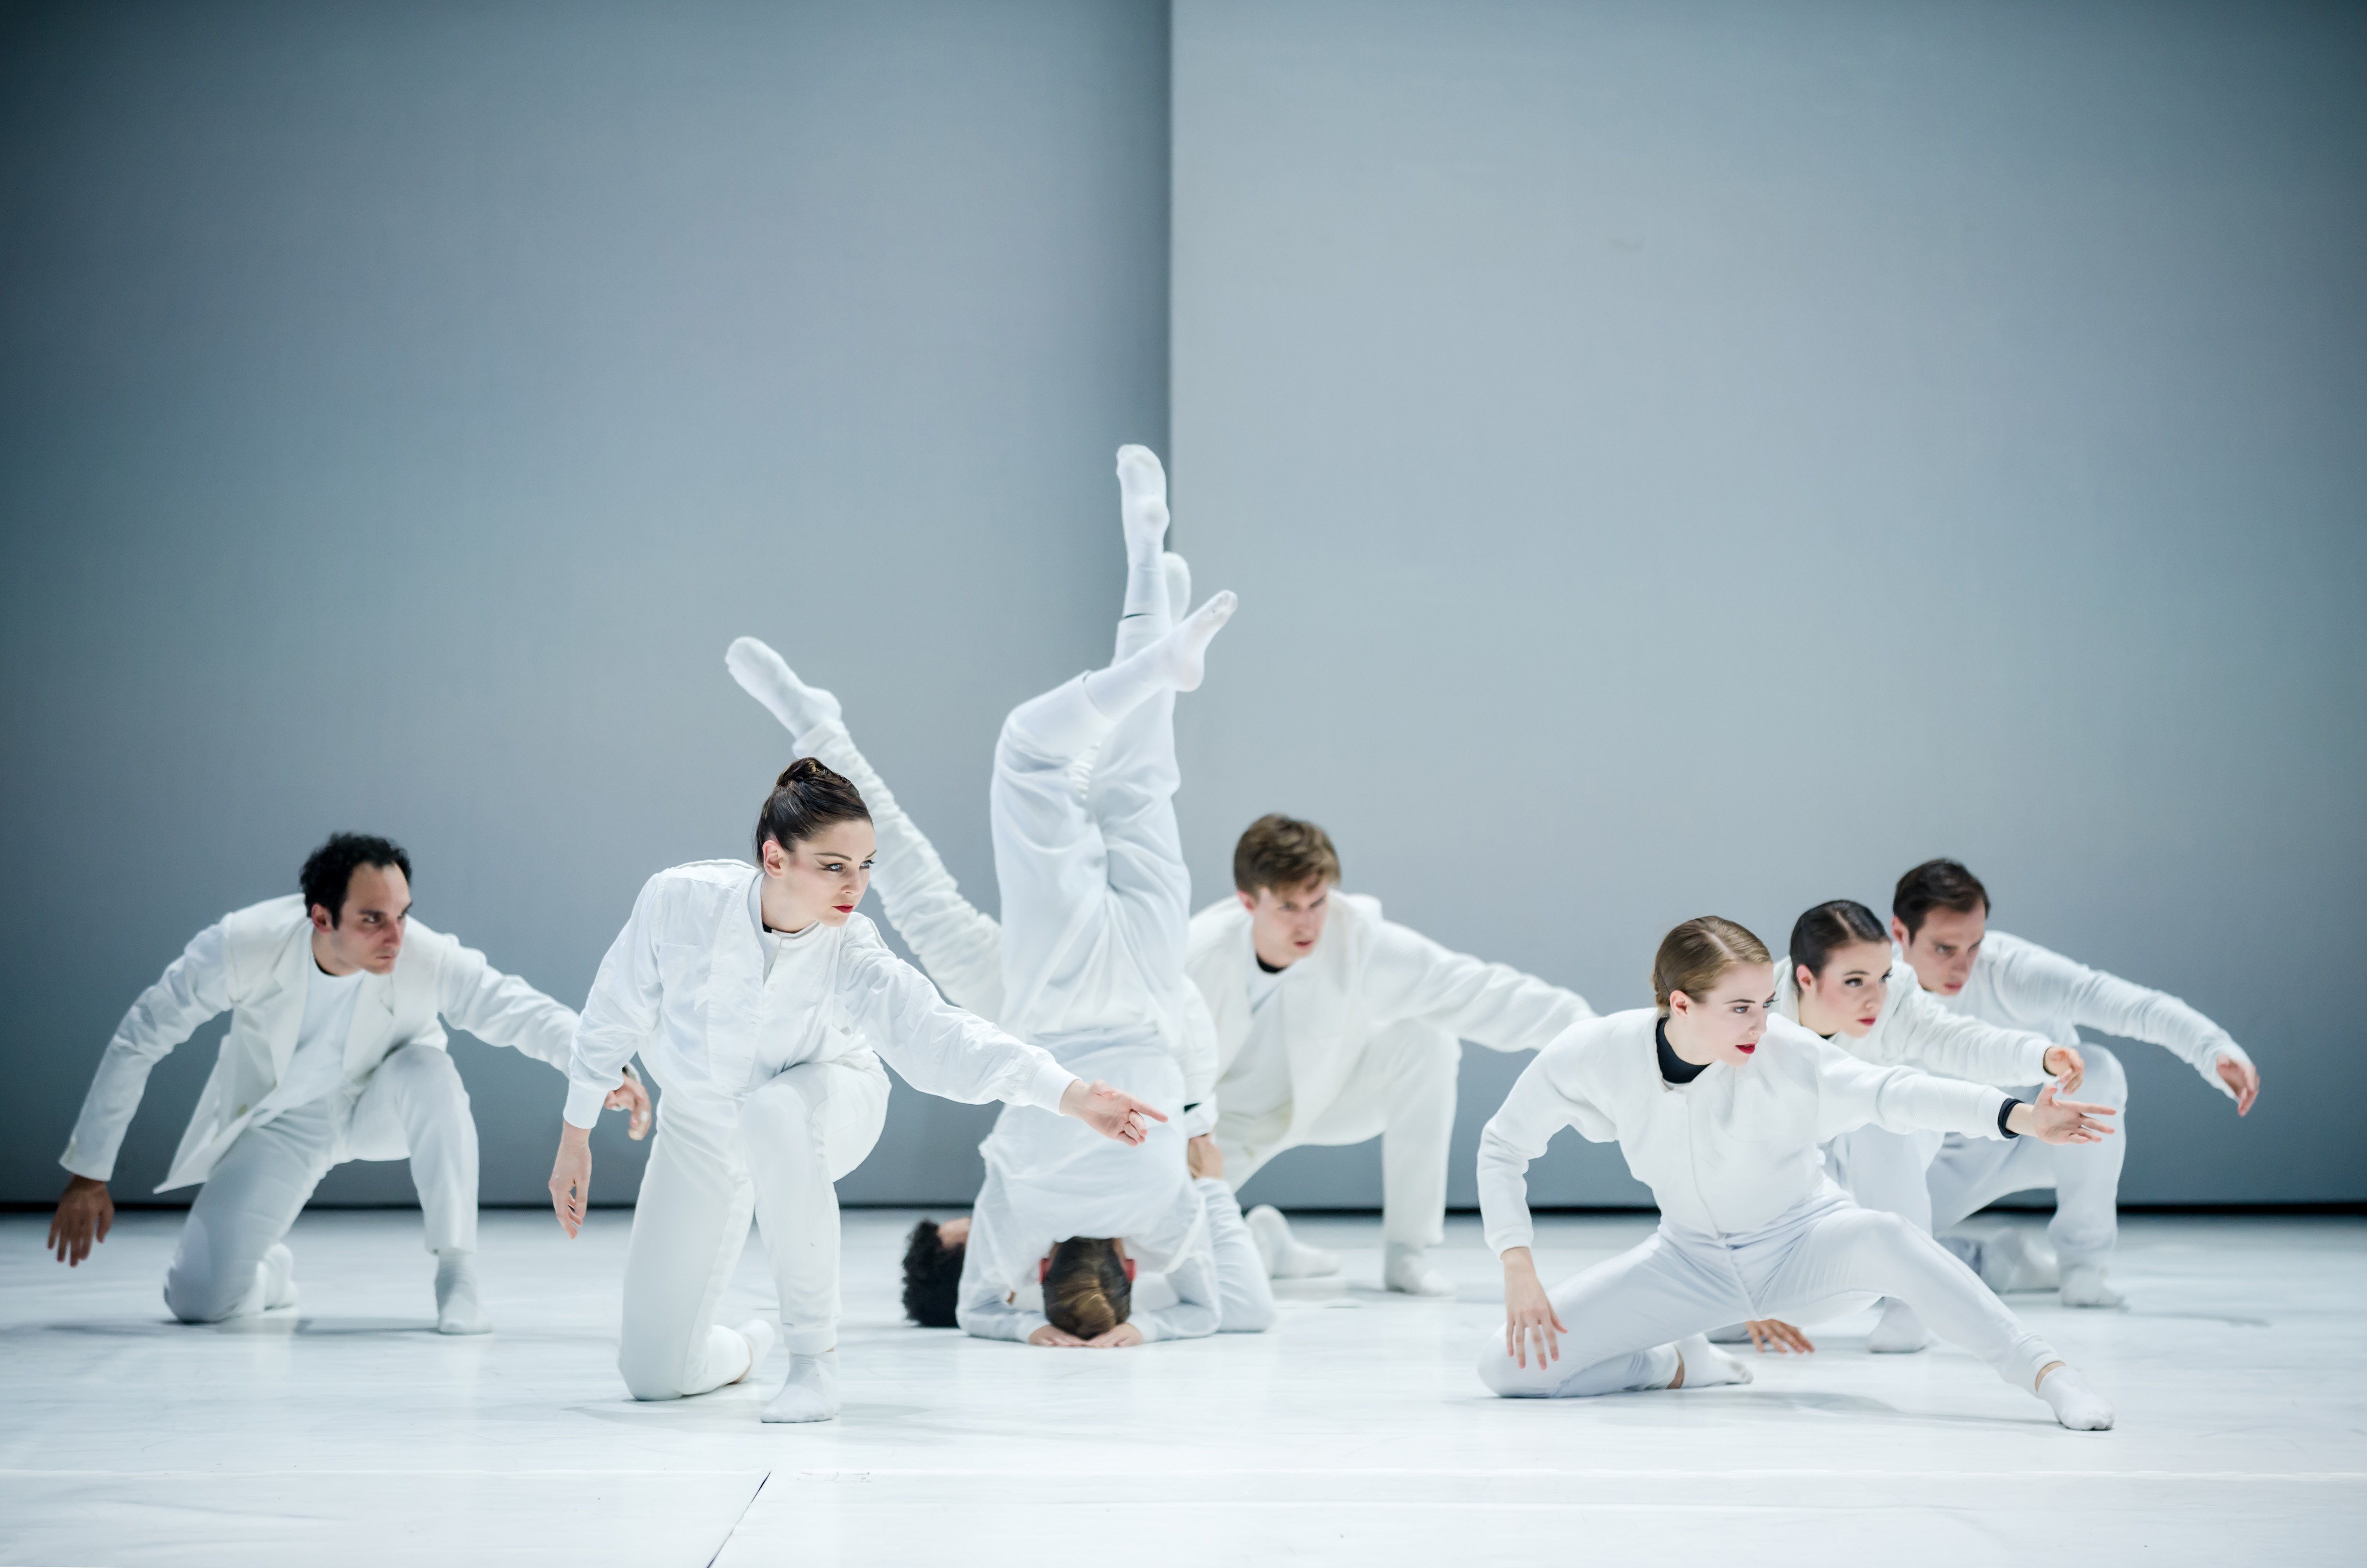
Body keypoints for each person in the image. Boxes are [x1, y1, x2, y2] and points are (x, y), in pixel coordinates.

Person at [735, 447, 1268, 1348]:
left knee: (952, 860)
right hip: (1050, 1016)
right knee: (1006, 796)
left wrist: (1195, 1158)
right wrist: (1041, 1321)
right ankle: (1148, 605)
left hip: (1057, 1018)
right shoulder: (1025, 1220)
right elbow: (993, 1300)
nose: (968, 1225)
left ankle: (1150, 592)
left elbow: (1227, 1305)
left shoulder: (1068, 1223)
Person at [551, 758, 1165, 1421]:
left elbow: (941, 1036)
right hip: (699, 1128)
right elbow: (614, 1011)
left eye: (867, 865)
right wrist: (575, 1136)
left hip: (830, 1101)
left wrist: (1071, 1094)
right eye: (835, 865)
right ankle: (750, 1346)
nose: (856, 885)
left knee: (773, 1111)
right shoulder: (679, 901)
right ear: (775, 858)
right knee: (653, 1376)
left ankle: (814, 1363)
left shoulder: (854, 950)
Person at [1476, 916, 2120, 1431]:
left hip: (1807, 1248)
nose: (1761, 1022)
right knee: (1508, 1368)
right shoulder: (1599, 1054)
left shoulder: (1785, 1053)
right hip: (1688, 1263)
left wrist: (2019, 1117)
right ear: (1681, 1003)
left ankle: (2050, 1375)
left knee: (1890, 1238)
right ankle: (1677, 1364)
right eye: (1740, 1008)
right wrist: (1517, 1263)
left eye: (1765, 1002)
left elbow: (1893, 1093)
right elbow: (1503, 1144)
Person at [47, 832, 646, 1333]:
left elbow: (514, 1007)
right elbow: (142, 1035)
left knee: (429, 1069)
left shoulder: (421, 955)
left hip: (382, 1103)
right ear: (321, 916)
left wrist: (602, 1069)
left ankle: (457, 1271)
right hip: (284, 1123)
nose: (396, 936)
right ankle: (266, 1270)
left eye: (403, 914)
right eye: (373, 919)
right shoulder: (241, 944)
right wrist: (88, 1174)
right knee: (197, 1303)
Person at [1184, 814, 1596, 1296]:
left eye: (1317, 902)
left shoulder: (1351, 933)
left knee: (1425, 1040)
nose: (1307, 922)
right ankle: (1264, 1243)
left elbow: (1472, 988)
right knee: (1163, 1261)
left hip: (1328, 1097)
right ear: (1247, 902)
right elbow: (1151, 1066)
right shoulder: (1195, 955)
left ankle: (1407, 1250)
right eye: (1288, 906)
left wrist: (1587, 1031)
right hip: (1219, 1128)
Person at [1891, 859, 2263, 1308]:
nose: (1963, 966)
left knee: (2099, 1072)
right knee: (1873, 1261)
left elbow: (2128, 1005)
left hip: (2048, 1132)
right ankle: (2002, 1265)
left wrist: (2212, 1049)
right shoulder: (1876, 990)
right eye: (1945, 949)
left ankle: (2083, 1266)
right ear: (1900, 934)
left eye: (1974, 946)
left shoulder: (2012, 971)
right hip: (1945, 1157)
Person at [1770, 899, 2072, 1354]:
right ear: (1805, 978)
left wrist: (2038, 1056)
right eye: (1854, 982)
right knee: (1725, 1322)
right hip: (1794, 1183)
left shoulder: (1896, 1004)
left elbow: (1960, 1040)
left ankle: (1910, 1303)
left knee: (1884, 1115)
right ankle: (1996, 1261)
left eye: (1883, 977)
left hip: (1879, 1155)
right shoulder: (1755, 1013)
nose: (1876, 997)